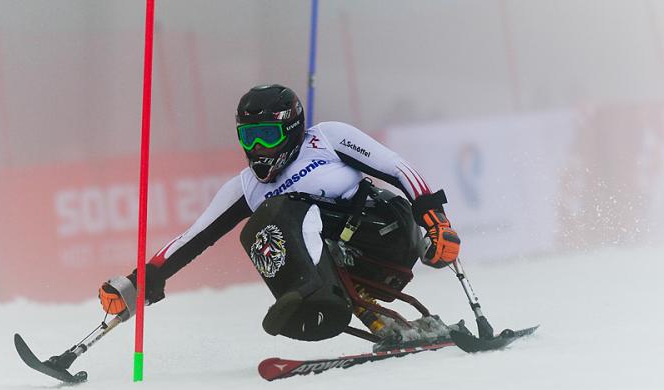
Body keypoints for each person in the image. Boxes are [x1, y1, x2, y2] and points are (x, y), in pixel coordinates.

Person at [98, 84, 461, 350]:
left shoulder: (327, 139)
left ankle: (314, 296)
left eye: (267, 136)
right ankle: (341, 312)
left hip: (387, 230)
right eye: (249, 137)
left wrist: (436, 220)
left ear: (291, 129)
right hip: (340, 263)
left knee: (281, 209)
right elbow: (192, 238)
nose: (258, 149)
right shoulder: (244, 187)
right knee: (260, 231)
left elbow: (397, 169)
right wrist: (137, 283)